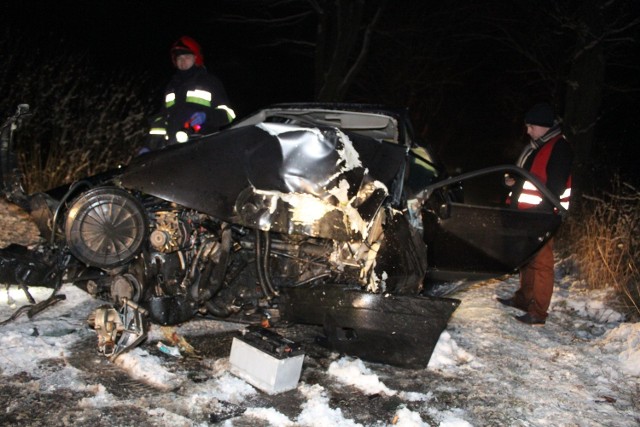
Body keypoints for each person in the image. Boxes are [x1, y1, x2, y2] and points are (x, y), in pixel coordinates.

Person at [497, 102, 573, 325]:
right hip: (527, 212)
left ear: (544, 126)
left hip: (543, 214)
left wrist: (544, 212)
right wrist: (512, 181)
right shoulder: (538, 146)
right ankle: (523, 300)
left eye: (531, 126)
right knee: (527, 258)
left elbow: (555, 186)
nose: (528, 131)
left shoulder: (560, 148)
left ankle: (538, 312)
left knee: (541, 262)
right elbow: (528, 175)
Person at [147, 36, 236, 150]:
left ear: (196, 58)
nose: (183, 61)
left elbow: (228, 114)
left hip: (204, 146)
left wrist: (206, 116)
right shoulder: (172, 86)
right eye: (179, 58)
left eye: (187, 57)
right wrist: (149, 146)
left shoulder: (209, 81)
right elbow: (162, 118)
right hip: (173, 149)